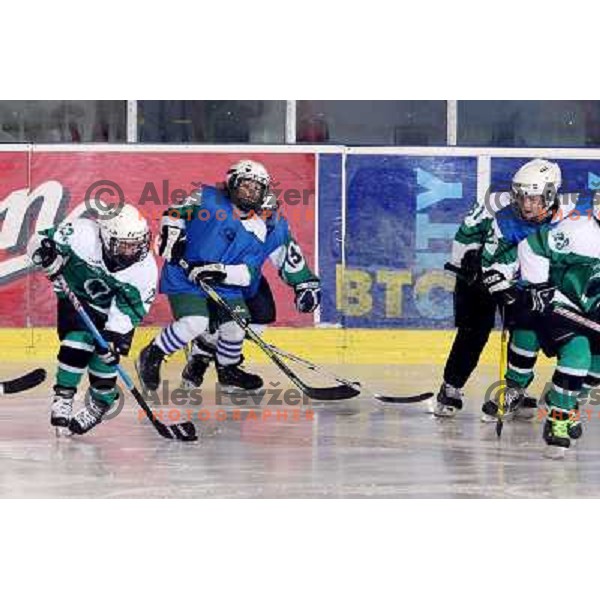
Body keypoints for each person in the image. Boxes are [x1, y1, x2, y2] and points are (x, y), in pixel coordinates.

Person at [435, 158, 577, 419]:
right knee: (474, 330)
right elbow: (469, 238)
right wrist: (466, 263)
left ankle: (515, 390)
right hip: (478, 267)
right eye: (522, 198)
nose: (526, 205)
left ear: (550, 195)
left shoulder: (568, 213)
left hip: (516, 269)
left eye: (533, 198)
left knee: (524, 326)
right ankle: (450, 387)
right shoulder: (500, 213)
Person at [136, 160, 274, 393]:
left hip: (222, 285)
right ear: (232, 183)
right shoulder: (205, 196)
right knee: (195, 322)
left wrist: (220, 271)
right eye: (246, 185)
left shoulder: (258, 228)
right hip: (184, 277)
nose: (251, 192)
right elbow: (174, 213)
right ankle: (153, 353)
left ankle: (228, 371)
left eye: (257, 189)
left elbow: (248, 273)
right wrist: (172, 233)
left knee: (236, 326)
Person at [27, 204, 157, 435]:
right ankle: (63, 396)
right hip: (78, 298)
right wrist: (45, 256)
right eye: (125, 245)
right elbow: (39, 241)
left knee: (103, 357)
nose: (132, 251)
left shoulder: (144, 269)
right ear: (106, 237)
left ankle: (102, 400)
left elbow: (131, 308)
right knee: (76, 342)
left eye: (137, 244)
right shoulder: (81, 234)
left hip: (114, 313)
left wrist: (115, 335)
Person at [180, 193, 321, 390]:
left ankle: (218, 360)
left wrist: (304, 284)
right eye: (261, 213)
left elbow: (288, 256)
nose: (266, 218)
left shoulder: (276, 227)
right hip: (215, 283)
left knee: (260, 319)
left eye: (269, 213)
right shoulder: (226, 224)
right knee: (226, 324)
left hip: (247, 281)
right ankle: (203, 357)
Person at [508, 203, 600, 457]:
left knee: (595, 370)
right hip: (563, 303)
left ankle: (565, 404)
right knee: (578, 355)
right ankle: (557, 418)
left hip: (594, 311)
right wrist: (539, 287)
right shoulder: (578, 232)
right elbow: (531, 246)